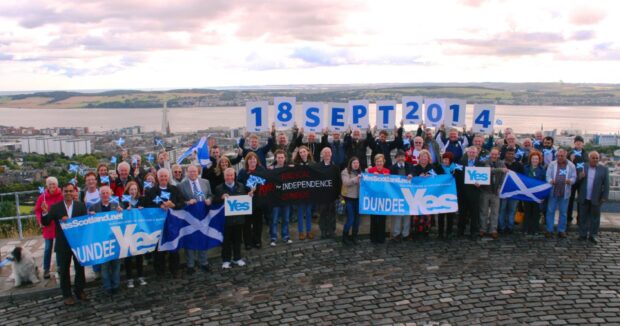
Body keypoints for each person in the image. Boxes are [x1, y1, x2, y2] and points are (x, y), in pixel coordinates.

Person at [41, 182, 88, 306]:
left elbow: (85, 224)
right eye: (66, 191)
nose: (68, 193)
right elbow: (46, 222)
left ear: (74, 192)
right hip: (63, 244)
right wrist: (45, 212)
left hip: (77, 243)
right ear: (62, 192)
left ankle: (79, 290)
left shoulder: (81, 206)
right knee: (64, 270)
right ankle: (67, 294)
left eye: (70, 191)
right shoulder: (56, 207)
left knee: (80, 268)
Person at [144, 168, 185, 277]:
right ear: (157, 177)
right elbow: (147, 205)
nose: (163, 178)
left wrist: (174, 205)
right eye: (161, 176)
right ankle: (160, 271)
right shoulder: (151, 191)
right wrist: (159, 206)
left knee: (173, 248)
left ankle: (174, 270)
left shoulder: (174, 189)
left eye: (165, 176)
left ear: (168, 177)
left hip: (172, 224)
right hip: (158, 226)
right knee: (158, 250)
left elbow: (182, 203)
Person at [214, 168, 252, 269]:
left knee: (238, 240)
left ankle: (237, 258)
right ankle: (226, 260)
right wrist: (220, 198)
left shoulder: (241, 186)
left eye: (231, 175)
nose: (229, 177)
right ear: (224, 176)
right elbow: (214, 202)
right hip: (225, 220)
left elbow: (245, 200)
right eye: (227, 175)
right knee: (226, 241)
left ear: (234, 175)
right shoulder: (219, 188)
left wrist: (249, 196)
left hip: (239, 219)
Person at [178, 164, 213, 274]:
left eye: (194, 171)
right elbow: (179, 202)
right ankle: (190, 265)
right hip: (189, 218)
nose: (193, 173)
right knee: (190, 240)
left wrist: (209, 200)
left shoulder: (205, 182)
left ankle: (204, 262)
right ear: (187, 173)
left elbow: (210, 195)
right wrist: (187, 202)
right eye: (190, 172)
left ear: (198, 172)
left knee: (203, 239)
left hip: (203, 216)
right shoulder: (181, 186)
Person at [89, 186, 123, 295]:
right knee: (104, 267)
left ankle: (116, 285)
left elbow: (124, 220)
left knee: (116, 265)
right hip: (102, 241)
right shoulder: (93, 207)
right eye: (102, 193)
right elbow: (90, 225)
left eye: (107, 193)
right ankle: (107, 287)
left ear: (110, 193)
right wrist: (90, 216)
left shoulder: (117, 205)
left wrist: (121, 212)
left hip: (115, 240)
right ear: (99, 195)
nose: (105, 195)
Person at [577, 151, 610, 244]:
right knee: (583, 217)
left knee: (595, 218)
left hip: (597, 198)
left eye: (597, 158)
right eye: (593, 158)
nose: (595, 160)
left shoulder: (604, 169)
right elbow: (576, 181)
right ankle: (583, 235)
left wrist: (605, 196)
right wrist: (580, 177)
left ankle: (593, 235)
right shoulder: (583, 167)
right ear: (589, 158)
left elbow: (606, 185)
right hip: (584, 197)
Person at [34, 176, 63, 279]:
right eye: (50, 184)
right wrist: (39, 220)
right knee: (47, 248)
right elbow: (37, 210)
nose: (52, 186)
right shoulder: (42, 197)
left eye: (54, 184)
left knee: (59, 248)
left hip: (60, 226)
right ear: (47, 186)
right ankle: (46, 269)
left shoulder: (61, 195)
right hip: (48, 226)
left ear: (57, 185)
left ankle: (60, 267)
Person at [237, 152, 266, 249]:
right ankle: (248, 242)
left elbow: (266, 182)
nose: (252, 160)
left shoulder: (261, 170)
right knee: (247, 224)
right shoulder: (242, 172)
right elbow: (239, 186)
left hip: (259, 200)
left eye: (254, 159)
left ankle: (257, 241)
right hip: (246, 201)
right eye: (250, 159)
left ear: (257, 160)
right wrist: (247, 192)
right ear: (247, 161)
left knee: (258, 223)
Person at [545, 149, 577, 238]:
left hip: (565, 192)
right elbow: (548, 176)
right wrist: (550, 181)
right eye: (558, 156)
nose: (559, 157)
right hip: (553, 191)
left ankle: (561, 230)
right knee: (550, 211)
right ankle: (549, 230)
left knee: (563, 212)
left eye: (561, 156)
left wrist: (570, 181)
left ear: (565, 156)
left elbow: (574, 177)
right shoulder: (552, 164)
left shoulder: (571, 165)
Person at [412, 150, 443, 238]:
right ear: (419, 158)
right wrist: (418, 177)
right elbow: (412, 174)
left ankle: (426, 230)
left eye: (425, 157)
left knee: (427, 213)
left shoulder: (432, 167)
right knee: (417, 212)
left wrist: (429, 177)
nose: (423, 159)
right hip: (417, 194)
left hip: (429, 193)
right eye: (422, 157)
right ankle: (417, 230)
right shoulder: (415, 167)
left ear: (428, 158)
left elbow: (437, 178)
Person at [122, 181, 148, 288]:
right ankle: (129, 279)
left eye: (135, 189)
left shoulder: (141, 199)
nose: (133, 191)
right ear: (128, 190)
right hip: (128, 231)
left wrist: (143, 210)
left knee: (139, 255)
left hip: (139, 231)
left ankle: (140, 276)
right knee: (128, 256)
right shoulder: (124, 201)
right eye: (131, 189)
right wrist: (124, 210)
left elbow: (148, 213)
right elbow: (118, 213)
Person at [457, 146, 484, 240]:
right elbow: (457, 176)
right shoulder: (461, 163)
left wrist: (480, 184)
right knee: (462, 213)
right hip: (463, 192)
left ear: (477, 154)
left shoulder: (481, 164)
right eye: (470, 152)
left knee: (474, 214)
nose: (472, 154)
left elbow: (484, 179)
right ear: (467, 153)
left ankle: (474, 232)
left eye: (474, 152)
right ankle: (460, 231)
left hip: (475, 192)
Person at [479, 148, 505, 239]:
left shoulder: (502, 163)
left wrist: (500, 187)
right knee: (484, 211)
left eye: (496, 154)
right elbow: (489, 170)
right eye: (492, 154)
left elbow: (503, 177)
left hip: (496, 191)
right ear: (490, 154)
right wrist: (501, 169)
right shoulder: (485, 162)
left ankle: (493, 229)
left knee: (495, 212)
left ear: (498, 155)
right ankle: (483, 229)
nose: (494, 156)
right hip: (485, 190)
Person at [497, 148, 524, 234]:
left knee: (512, 210)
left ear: (514, 155)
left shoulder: (519, 165)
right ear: (505, 154)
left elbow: (522, 178)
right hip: (503, 190)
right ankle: (501, 227)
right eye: (509, 154)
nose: (510, 155)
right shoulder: (500, 163)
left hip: (514, 191)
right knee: (502, 209)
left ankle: (510, 227)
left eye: (512, 154)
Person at [316, 147, 340, 239]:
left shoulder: (335, 167)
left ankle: (331, 231)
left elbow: (338, 181)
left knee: (332, 214)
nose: (327, 154)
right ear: (322, 154)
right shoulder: (317, 167)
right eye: (325, 152)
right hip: (322, 195)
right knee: (322, 214)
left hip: (332, 195)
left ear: (331, 154)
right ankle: (323, 231)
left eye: (328, 152)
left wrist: (337, 194)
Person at [270, 150, 292, 246]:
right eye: (278, 157)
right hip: (275, 198)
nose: (280, 159)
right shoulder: (272, 169)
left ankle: (285, 236)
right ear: (276, 158)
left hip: (286, 198)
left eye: (282, 157)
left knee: (286, 219)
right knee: (274, 219)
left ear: (285, 158)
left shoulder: (288, 168)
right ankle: (273, 238)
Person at [390, 150, 413, 241]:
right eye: (399, 156)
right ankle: (396, 234)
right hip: (396, 194)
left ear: (405, 157)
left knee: (407, 214)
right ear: (396, 158)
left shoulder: (409, 166)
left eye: (402, 156)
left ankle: (406, 234)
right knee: (397, 214)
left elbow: (414, 173)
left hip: (408, 194)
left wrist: (411, 174)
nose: (400, 158)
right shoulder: (391, 168)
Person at [292, 146, 315, 240]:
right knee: (300, 213)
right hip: (300, 192)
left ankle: (309, 231)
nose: (302, 154)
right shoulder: (296, 164)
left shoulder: (313, 164)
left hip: (309, 192)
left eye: (304, 152)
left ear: (308, 152)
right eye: (300, 152)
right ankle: (301, 232)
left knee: (309, 212)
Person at [367, 154, 390, 244]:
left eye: (381, 161)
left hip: (383, 198)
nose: (379, 163)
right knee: (373, 218)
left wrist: (387, 178)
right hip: (373, 198)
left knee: (382, 219)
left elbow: (390, 185)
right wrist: (372, 177)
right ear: (375, 162)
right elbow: (366, 184)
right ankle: (373, 238)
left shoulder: (387, 171)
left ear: (383, 162)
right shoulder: (370, 171)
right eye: (377, 161)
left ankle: (381, 238)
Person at [522, 151, 546, 235]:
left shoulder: (542, 169)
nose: (535, 160)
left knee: (536, 212)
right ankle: (526, 229)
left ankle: (535, 229)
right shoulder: (525, 168)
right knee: (527, 211)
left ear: (539, 160)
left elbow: (544, 182)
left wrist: (542, 195)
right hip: (527, 193)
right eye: (533, 158)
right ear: (530, 159)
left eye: (536, 159)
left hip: (537, 194)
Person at [341, 157, 362, 245]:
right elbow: (346, 183)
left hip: (358, 199)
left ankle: (354, 236)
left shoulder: (361, 172)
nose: (356, 165)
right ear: (351, 164)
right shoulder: (345, 172)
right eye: (354, 163)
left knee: (357, 220)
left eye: (357, 163)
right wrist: (356, 179)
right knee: (351, 219)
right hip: (349, 198)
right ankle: (345, 237)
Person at [568, 135, 587, 227]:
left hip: (582, 180)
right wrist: (570, 160)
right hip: (572, 180)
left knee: (581, 200)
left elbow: (588, 166)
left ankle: (580, 218)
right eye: (577, 142)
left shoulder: (586, 154)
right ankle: (568, 219)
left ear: (583, 144)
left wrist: (584, 173)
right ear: (574, 143)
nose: (578, 143)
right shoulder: (570, 153)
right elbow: (565, 165)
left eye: (580, 142)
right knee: (570, 200)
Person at [438, 153, 457, 239]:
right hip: (441, 193)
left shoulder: (456, 168)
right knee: (441, 214)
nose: (445, 161)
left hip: (451, 194)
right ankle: (440, 233)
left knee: (450, 214)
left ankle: (449, 232)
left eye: (447, 159)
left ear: (450, 160)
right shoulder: (439, 167)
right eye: (444, 159)